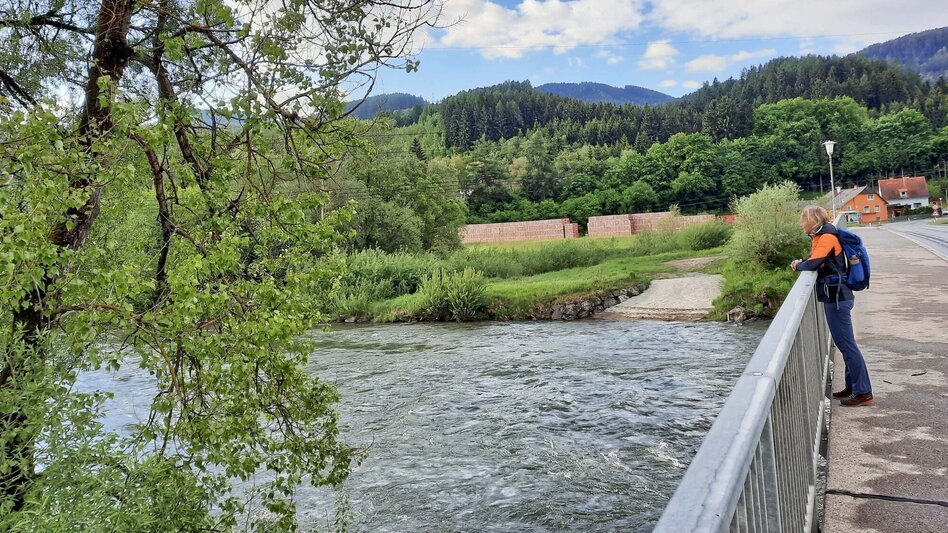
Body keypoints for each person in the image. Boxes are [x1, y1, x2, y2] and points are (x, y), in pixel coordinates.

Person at [791, 206, 873, 407]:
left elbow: (813, 263)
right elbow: (815, 259)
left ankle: (863, 392)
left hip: (837, 298)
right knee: (844, 344)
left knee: (847, 345)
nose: (801, 224)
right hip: (836, 296)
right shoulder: (821, 236)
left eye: (803, 220)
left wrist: (798, 265)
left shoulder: (827, 237)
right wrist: (803, 262)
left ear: (813, 221)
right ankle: (852, 386)